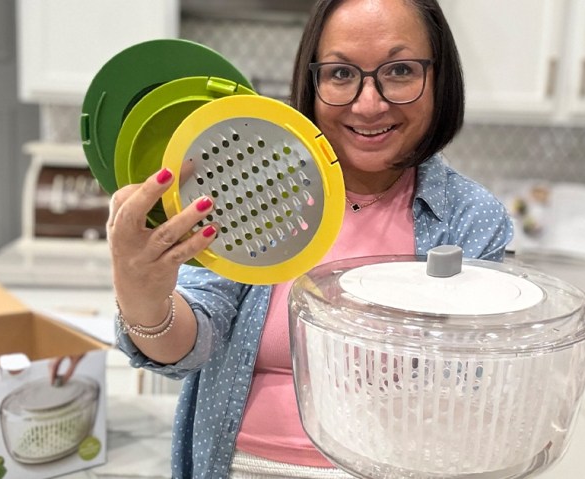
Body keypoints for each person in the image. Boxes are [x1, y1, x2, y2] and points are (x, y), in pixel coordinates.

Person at [107, 0, 513, 477]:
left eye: (400, 70)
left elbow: (467, 395)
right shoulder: (254, 182)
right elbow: (193, 343)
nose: (368, 104)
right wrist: (144, 300)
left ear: (440, 77)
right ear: (313, 81)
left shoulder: (469, 217)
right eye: (341, 74)